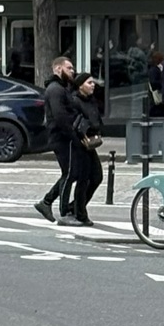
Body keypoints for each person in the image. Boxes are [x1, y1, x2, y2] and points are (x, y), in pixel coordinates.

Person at [35, 56, 80, 225]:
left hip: (62, 136)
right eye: (69, 68)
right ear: (58, 69)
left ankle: (46, 202)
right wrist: (73, 135)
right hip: (61, 137)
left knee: (70, 173)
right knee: (69, 173)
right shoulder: (55, 89)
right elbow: (60, 116)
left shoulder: (62, 88)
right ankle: (63, 211)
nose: (72, 71)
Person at [69, 72, 103, 226]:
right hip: (80, 143)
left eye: (93, 82)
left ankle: (75, 206)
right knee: (83, 180)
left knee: (96, 177)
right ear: (80, 85)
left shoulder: (91, 100)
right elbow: (75, 123)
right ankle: (80, 213)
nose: (93, 85)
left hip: (91, 143)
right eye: (89, 83)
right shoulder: (75, 101)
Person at [145, 50, 164, 120]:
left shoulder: (154, 69)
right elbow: (154, 83)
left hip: (156, 98)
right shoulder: (154, 70)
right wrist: (163, 83)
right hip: (157, 96)